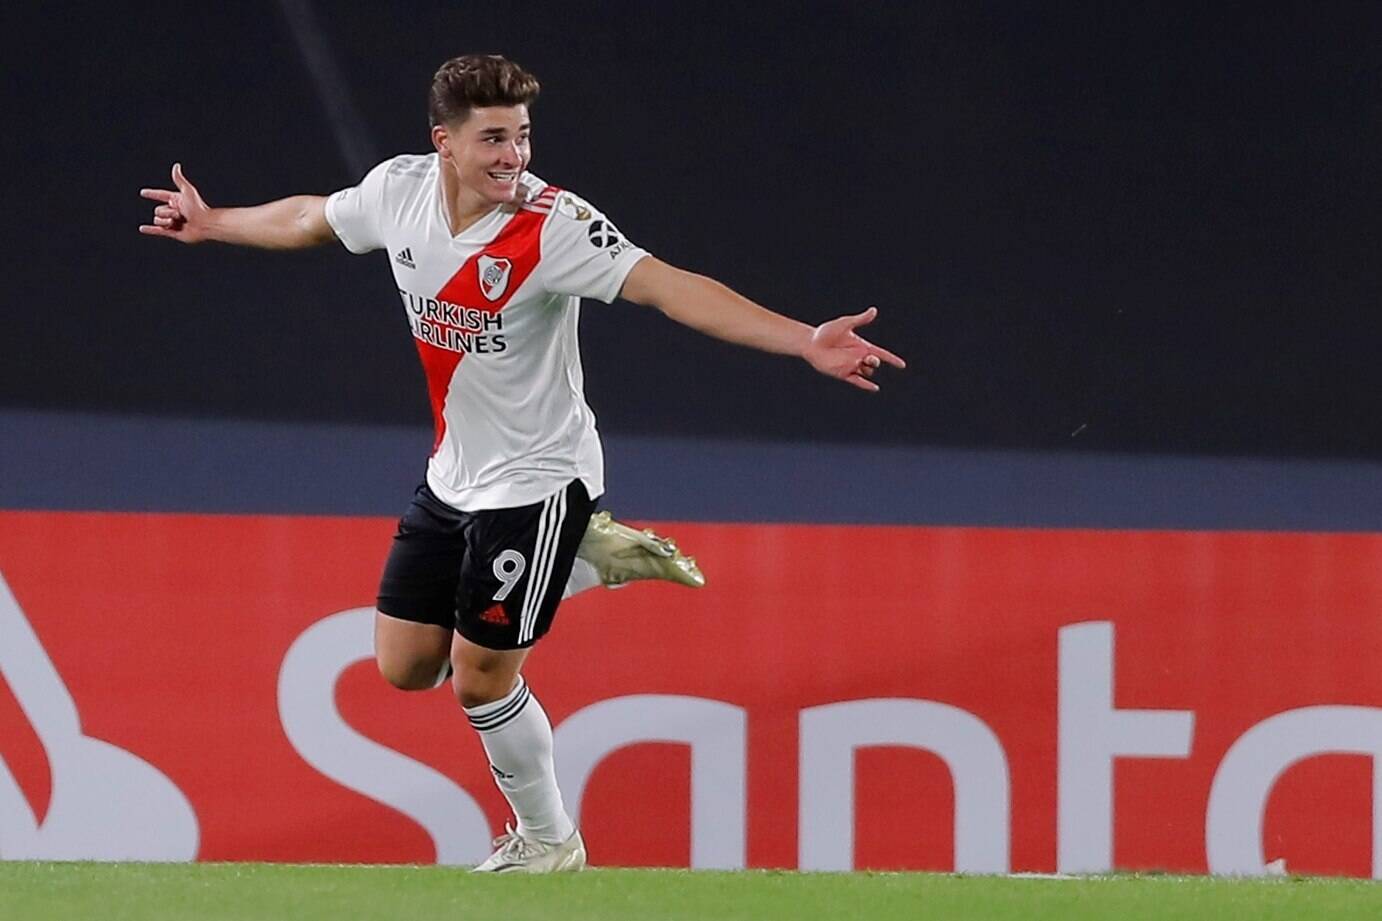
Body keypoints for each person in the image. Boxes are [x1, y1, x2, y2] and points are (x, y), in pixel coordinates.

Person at [140, 53, 904, 873]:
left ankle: (548, 839)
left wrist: (801, 341)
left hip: (541, 479)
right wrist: (214, 222)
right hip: (452, 475)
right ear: (444, 141)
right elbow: (310, 218)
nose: (515, 156)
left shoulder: (555, 224)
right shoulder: (399, 192)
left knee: (479, 679)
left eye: (524, 136)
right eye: (494, 138)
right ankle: (586, 561)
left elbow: (669, 286)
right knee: (404, 667)